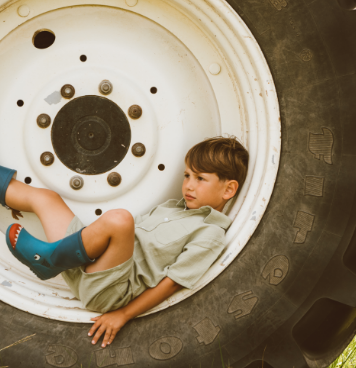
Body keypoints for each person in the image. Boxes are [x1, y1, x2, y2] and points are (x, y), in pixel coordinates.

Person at [0, 136, 248, 348]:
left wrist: (123, 315)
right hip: (83, 261)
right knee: (46, 198)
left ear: (228, 190)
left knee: (120, 220)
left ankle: (51, 259)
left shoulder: (210, 233)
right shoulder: (172, 207)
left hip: (110, 287)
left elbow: (172, 283)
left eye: (200, 179)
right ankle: (55, 256)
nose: (188, 185)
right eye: (187, 175)